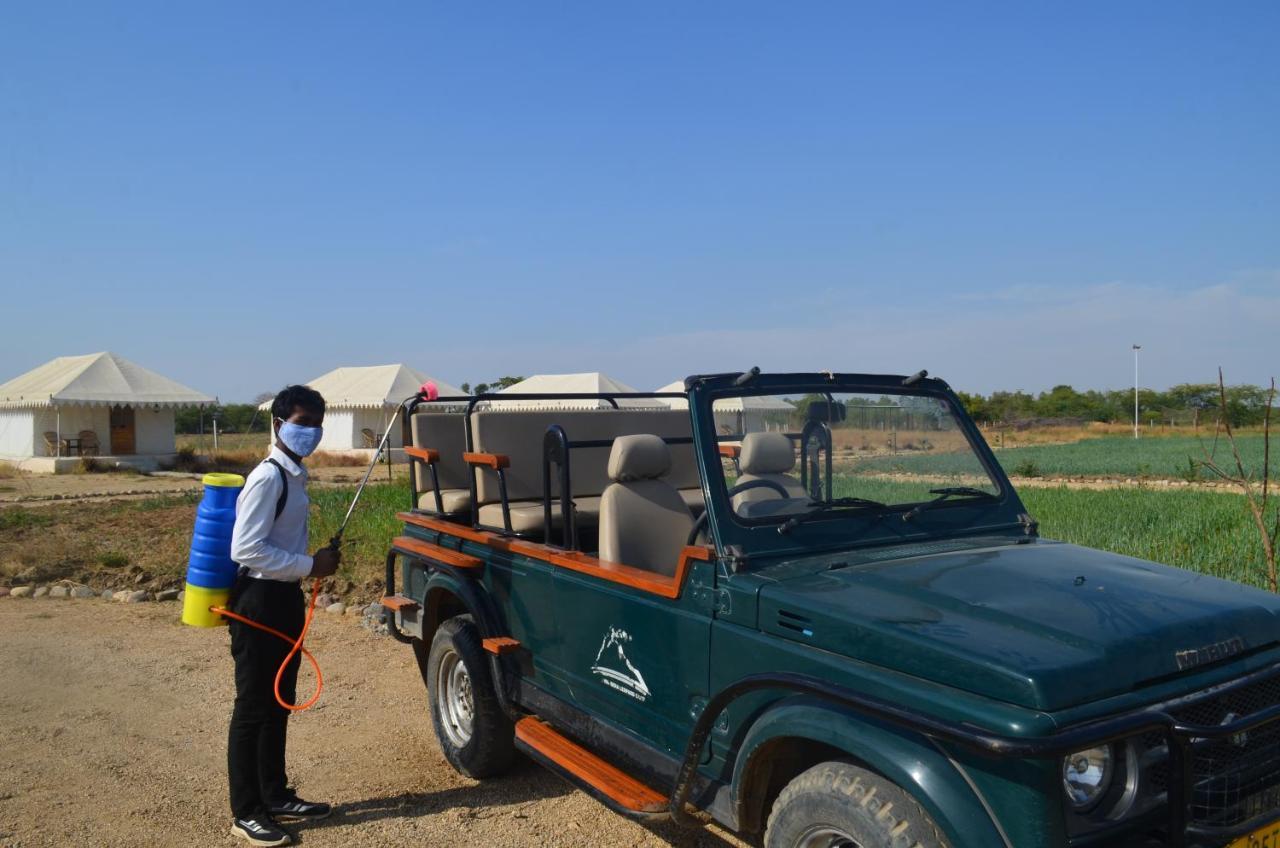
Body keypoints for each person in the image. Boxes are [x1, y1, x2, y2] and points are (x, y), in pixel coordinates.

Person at [226, 384, 340, 847]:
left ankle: (274, 794)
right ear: (278, 424)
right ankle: (246, 812)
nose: (309, 431)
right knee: (253, 707)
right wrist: (311, 566)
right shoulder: (269, 477)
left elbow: (280, 542)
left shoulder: (295, 476)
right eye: (301, 423)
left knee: (279, 701)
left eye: (315, 424)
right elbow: (246, 549)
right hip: (258, 600)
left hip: (285, 598)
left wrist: (312, 561)